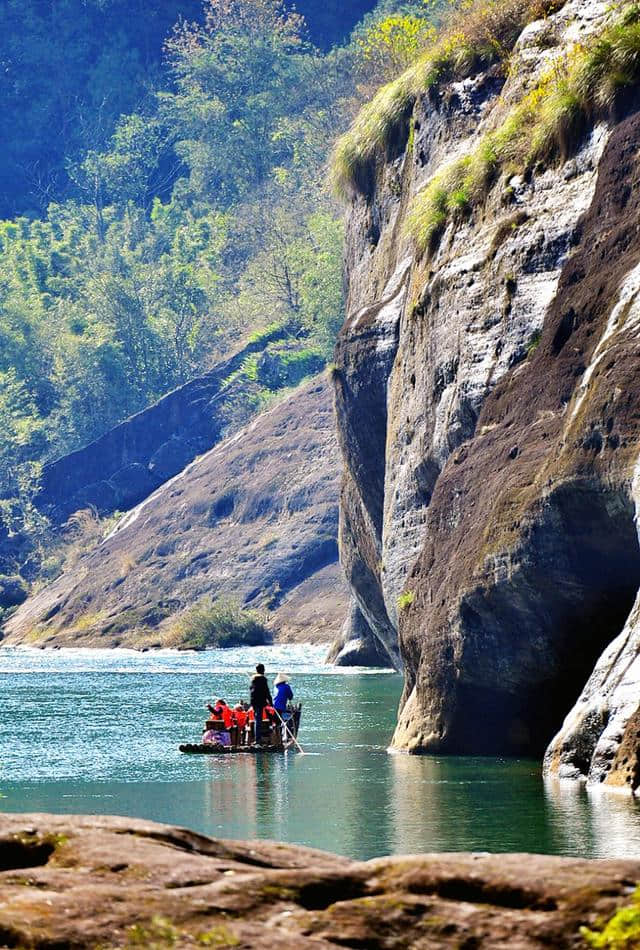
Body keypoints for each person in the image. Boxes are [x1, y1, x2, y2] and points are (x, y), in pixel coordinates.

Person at [249, 663, 272, 745]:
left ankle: (257, 738)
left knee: (257, 720)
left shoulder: (253, 679)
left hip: (254, 701)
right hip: (260, 702)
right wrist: (270, 702)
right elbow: (266, 691)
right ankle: (258, 740)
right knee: (258, 720)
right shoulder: (263, 679)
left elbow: (251, 690)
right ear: (263, 670)